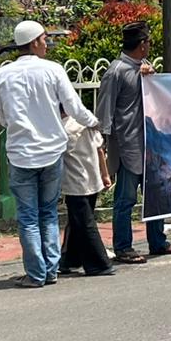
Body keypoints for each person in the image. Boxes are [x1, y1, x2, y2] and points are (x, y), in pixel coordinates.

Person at [0, 20, 100, 288]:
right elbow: (74, 107)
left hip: (20, 154)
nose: (46, 44)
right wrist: (94, 122)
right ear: (34, 42)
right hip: (52, 152)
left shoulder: (3, 74)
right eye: (43, 39)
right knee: (49, 213)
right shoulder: (53, 70)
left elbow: (2, 118)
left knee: (28, 217)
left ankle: (36, 273)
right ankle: (50, 270)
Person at [99, 21, 171, 263]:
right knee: (125, 199)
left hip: (151, 144)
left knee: (155, 195)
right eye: (148, 41)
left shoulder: (145, 68)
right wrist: (103, 146)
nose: (149, 45)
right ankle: (123, 247)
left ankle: (158, 241)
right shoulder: (116, 72)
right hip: (128, 145)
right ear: (141, 44)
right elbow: (104, 111)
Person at [58, 108, 115, 278]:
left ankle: (99, 263)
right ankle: (69, 259)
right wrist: (105, 174)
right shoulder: (86, 123)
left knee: (83, 222)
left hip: (75, 182)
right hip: (92, 178)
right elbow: (100, 149)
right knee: (77, 220)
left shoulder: (61, 128)